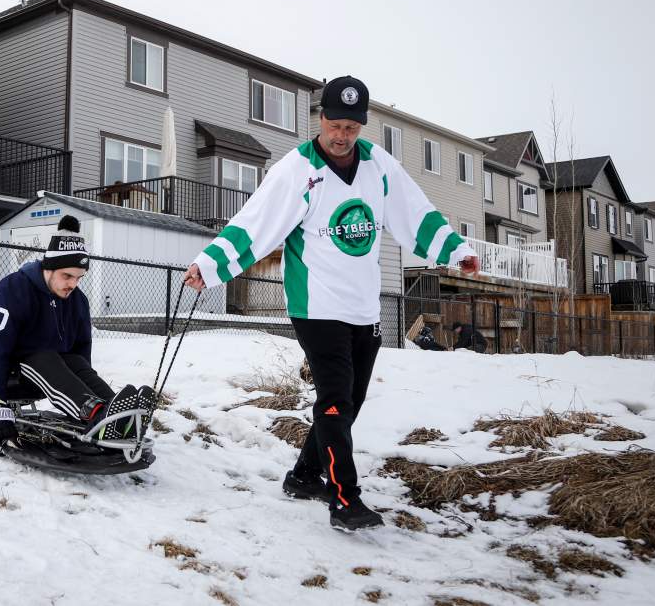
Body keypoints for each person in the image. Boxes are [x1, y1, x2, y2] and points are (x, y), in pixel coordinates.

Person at [182, 75, 480, 531]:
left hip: (362, 306)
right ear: (320, 119)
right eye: (335, 125)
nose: (342, 136)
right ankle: (345, 500)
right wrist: (211, 264)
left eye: (352, 128)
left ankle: (303, 476)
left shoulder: (378, 165)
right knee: (335, 399)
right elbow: (256, 222)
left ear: (362, 127)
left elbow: (414, 212)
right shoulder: (297, 169)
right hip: (316, 305)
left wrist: (455, 251)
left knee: (350, 402)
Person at [0, 215, 151, 456]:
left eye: (79, 278)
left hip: (54, 377)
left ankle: (118, 414)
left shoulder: (77, 300)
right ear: (48, 268)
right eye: (67, 276)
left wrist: (81, 388)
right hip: (10, 375)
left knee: (74, 361)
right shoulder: (14, 289)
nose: (73, 284)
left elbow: (81, 354)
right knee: (43, 357)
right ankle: (96, 415)